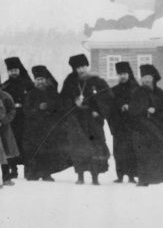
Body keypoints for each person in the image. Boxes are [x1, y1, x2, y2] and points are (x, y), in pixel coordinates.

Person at [60, 53, 112, 185]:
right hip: (76, 120)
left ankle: (95, 176)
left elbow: (107, 98)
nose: (82, 70)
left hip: (93, 120)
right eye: (78, 67)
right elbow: (62, 99)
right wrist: (73, 103)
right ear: (74, 69)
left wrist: (98, 112)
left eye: (83, 66)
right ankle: (80, 176)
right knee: (78, 147)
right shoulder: (70, 81)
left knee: (95, 146)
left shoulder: (97, 81)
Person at [22, 65, 71, 181]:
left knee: (48, 151)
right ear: (35, 81)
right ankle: (32, 173)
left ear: (46, 80)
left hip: (49, 127)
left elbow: (60, 108)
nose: (40, 82)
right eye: (38, 79)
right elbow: (26, 110)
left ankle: (46, 173)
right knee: (34, 151)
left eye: (42, 79)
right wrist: (37, 108)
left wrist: (49, 107)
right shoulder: (30, 94)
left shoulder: (52, 93)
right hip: (33, 128)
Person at [1, 57, 34, 179]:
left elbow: (32, 100)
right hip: (11, 121)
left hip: (25, 119)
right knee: (11, 143)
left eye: (15, 70)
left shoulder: (28, 84)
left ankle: (28, 169)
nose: (13, 73)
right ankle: (13, 169)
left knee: (26, 143)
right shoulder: (5, 86)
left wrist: (23, 105)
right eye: (11, 71)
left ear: (19, 70)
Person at [108, 61, 139, 184]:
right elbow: (109, 107)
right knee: (119, 151)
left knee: (132, 150)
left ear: (129, 73)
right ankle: (120, 175)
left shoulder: (136, 89)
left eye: (125, 73)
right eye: (120, 74)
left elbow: (140, 104)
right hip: (119, 126)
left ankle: (132, 176)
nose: (122, 76)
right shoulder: (114, 90)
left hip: (132, 126)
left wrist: (129, 106)